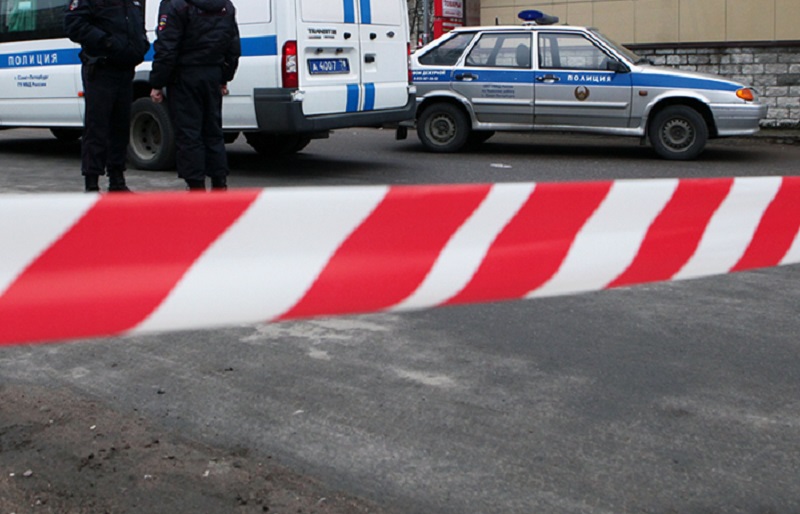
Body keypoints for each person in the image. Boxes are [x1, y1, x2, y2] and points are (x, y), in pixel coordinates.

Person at [149, 0, 240, 191]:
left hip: (185, 76)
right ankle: (219, 184)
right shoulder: (225, 5)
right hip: (212, 74)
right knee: (213, 132)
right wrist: (224, 77)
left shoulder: (175, 5)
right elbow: (233, 46)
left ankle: (196, 187)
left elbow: (167, 48)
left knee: (189, 134)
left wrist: (157, 82)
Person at [64, 0, 150, 193]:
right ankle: (92, 183)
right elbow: (73, 24)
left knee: (121, 128)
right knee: (97, 128)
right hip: (101, 69)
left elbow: (136, 24)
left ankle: (117, 181)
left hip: (125, 69)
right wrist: (106, 42)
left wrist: (141, 44)